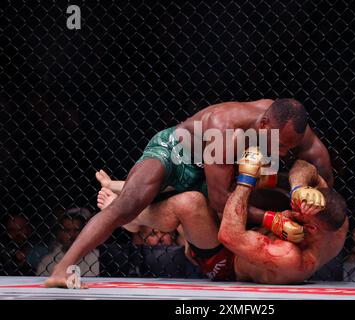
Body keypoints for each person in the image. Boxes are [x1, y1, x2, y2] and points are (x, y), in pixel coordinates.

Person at [45, 98, 333, 287]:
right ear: (265, 124)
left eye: (287, 148)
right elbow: (222, 202)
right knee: (128, 207)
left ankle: (120, 187)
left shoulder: (288, 123)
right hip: (176, 157)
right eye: (280, 145)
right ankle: (62, 268)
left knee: (264, 184)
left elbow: (318, 163)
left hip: (216, 172)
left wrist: (317, 197)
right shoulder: (225, 130)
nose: (281, 152)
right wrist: (272, 220)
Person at [38, 210, 99, 277]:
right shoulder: (48, 261)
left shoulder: (95, 257)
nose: (72, 235)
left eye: (76, 230)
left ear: (83, 232)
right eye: (67, 230)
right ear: (60, 233)